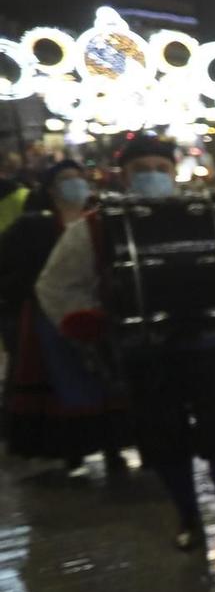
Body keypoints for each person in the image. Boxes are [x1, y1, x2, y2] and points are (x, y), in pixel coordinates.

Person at [37, 135, 215, 556]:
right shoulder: (94, 227)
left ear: (174, 172)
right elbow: (56, 286)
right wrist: (85, 321)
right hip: (143, 351)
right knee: (164, 442)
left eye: (160, 168)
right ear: (124, 176)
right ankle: (189, 518)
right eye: (141, 169)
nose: (152, 176)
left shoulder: (207, 217)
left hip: (208, 344)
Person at [0, 160, 131, 473]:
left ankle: (114, 446)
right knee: (67, 377)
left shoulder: (100, 220)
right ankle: (74, 446)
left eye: (78, 177)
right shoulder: (33, 226)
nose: (75, 184)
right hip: (51, 314)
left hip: (97, 309)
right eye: (66, 179)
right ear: (51, 188)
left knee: (107, 375)